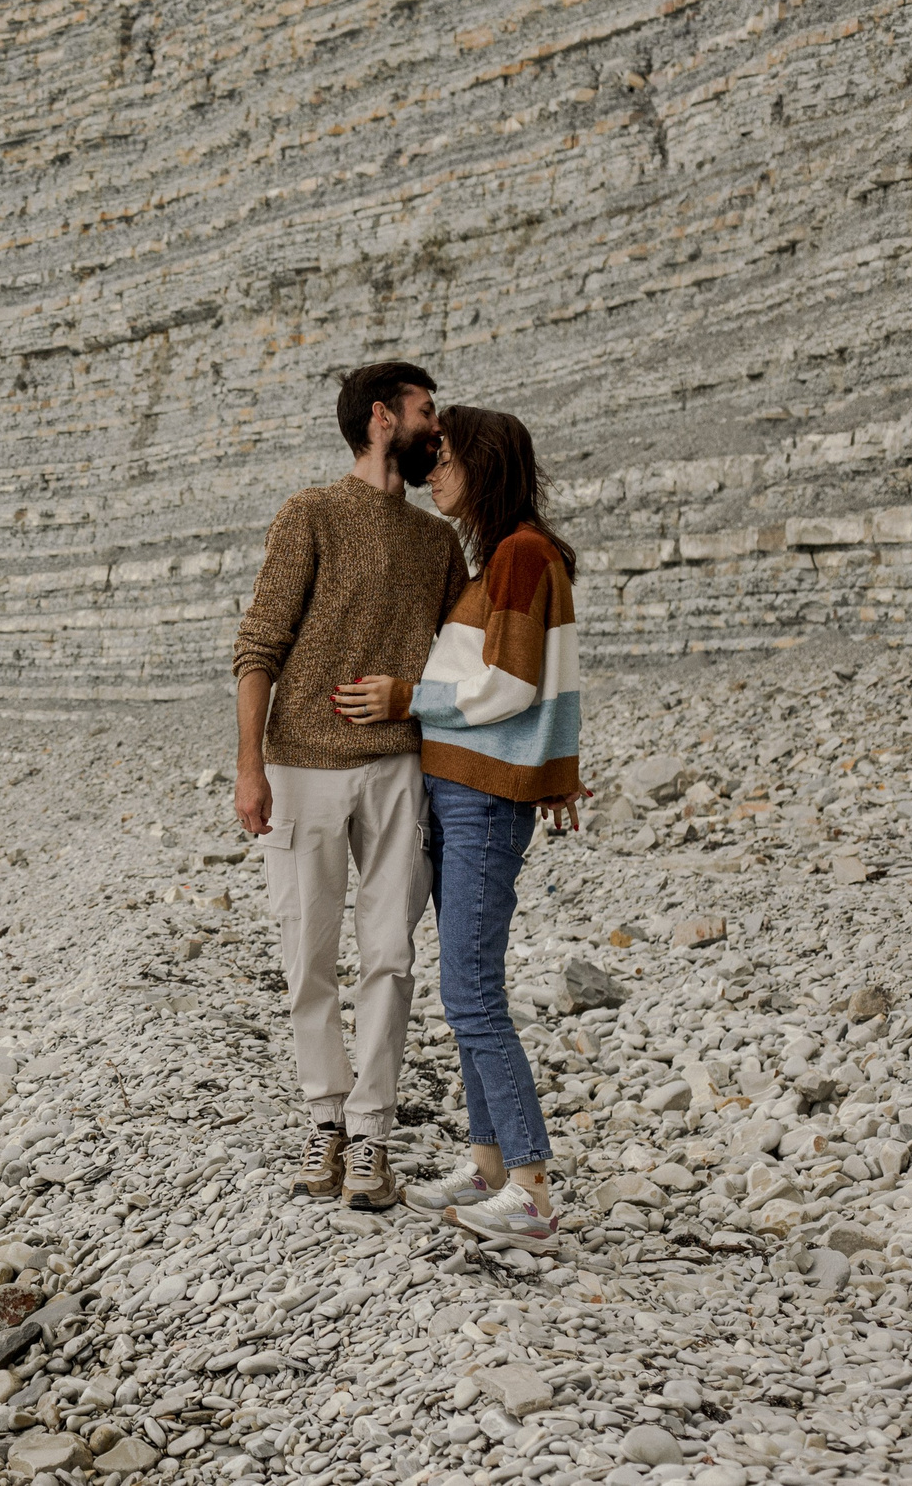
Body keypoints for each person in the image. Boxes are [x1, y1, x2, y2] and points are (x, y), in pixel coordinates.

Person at [331, 405, 585, 1248]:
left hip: (479, 803)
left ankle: (532, 1187)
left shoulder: (518, 553)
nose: (430, 470)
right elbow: (551, 682)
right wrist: (553, 770)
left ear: (483, 464)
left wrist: (410, 697)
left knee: (473, 993)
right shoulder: (507, 557)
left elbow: (513, 686)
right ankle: (487, 1166)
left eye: (444, 458)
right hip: (465, 796)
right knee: (466, 987)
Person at [234, 362, 469, 1212]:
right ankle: (324, 1117)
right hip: (300, 765)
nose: (435, 428)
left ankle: (372, 1133)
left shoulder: (438, 543)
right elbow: (259, 641)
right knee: (307, 955)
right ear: (381, 418)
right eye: (424, 411)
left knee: (391, 955)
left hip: (400, 766)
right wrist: (249, 765)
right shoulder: (310, 514)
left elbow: (463, 658)